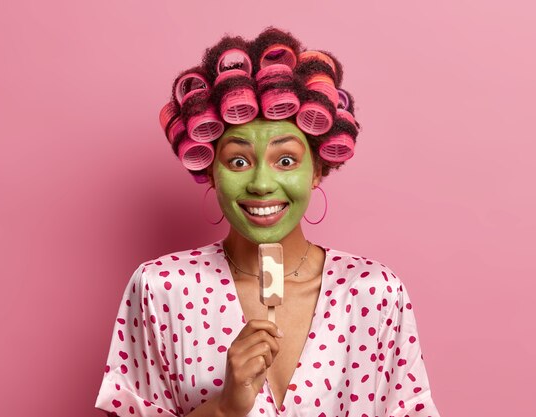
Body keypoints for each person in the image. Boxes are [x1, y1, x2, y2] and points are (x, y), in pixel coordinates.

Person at [94, 28, 441, 417]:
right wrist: (224, 409)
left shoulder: (374, 293)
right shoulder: (161, 289)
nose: (261, 184)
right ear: (210, 171)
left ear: (318, 169)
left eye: (287, 160)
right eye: (238, 161)